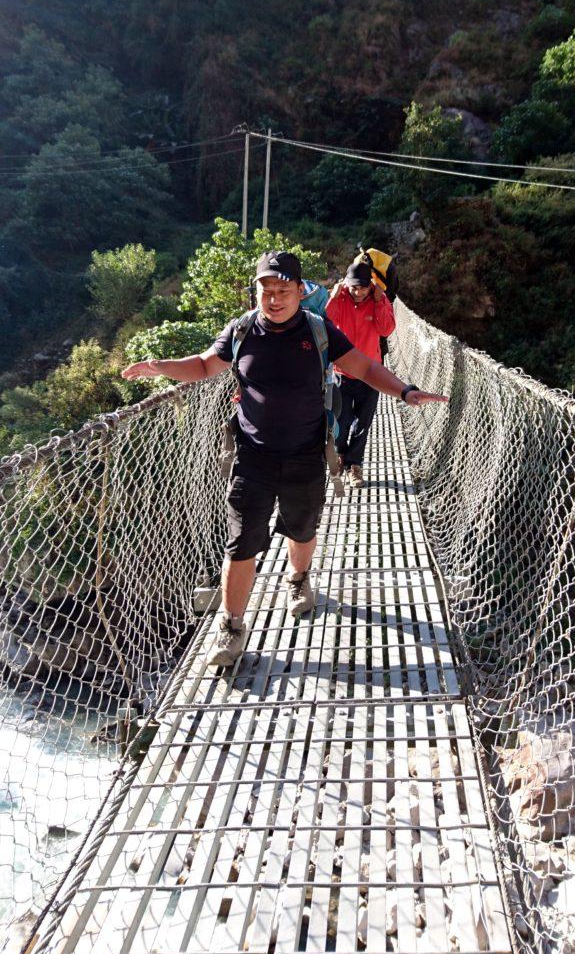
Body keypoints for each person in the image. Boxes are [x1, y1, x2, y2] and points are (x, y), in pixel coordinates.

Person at [121, 250, 446, 670]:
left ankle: (298, 579)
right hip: (252, 457)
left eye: (283, 290)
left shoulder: (318, 329)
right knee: (241, 545)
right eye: (266, 290)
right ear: (256, 291)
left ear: (298, 290)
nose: (274, 299)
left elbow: (364, 367)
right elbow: (203, 367)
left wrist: (405, 391)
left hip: (307, 453)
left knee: (302, 528)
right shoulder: (241, 332)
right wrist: (161, 367)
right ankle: (232, 625)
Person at [325, 260, 396, 488]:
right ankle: (341, 454)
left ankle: (354, 466)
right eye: (354, 287)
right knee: (341, 421)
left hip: (370, 374)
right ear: (347, 284)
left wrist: (379, 303)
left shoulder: (379, 299)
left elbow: (386, 329)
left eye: (362, 287)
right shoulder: (341, 298)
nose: (358, 292)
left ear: (370, 286)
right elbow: (326, 322)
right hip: (341, 371)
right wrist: (334, 297)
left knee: (362, 423)